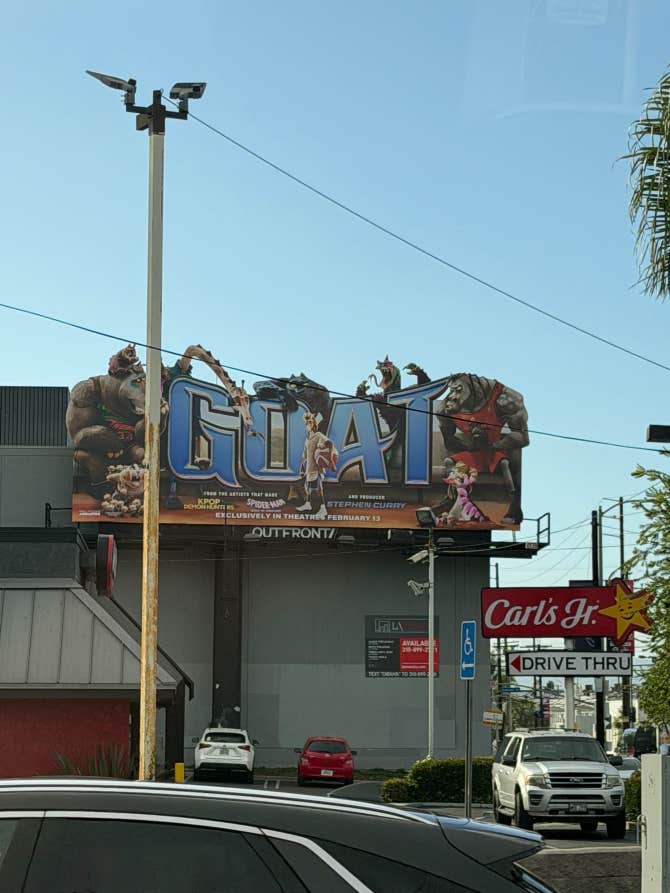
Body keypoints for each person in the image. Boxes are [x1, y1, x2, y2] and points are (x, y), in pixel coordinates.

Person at [296, 413, 338, 520]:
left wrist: (331, 461)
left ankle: (323, 509)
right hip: (309, 469)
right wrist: (302, 468)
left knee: (319, 490)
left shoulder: (318, 435)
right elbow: (304, 456)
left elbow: (329, 443)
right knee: (308, 489)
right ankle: (308, 504)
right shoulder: (307, 439)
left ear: (314, 424)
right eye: (307, 423)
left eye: (310, 422)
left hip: (316, 469)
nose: (308, 424)